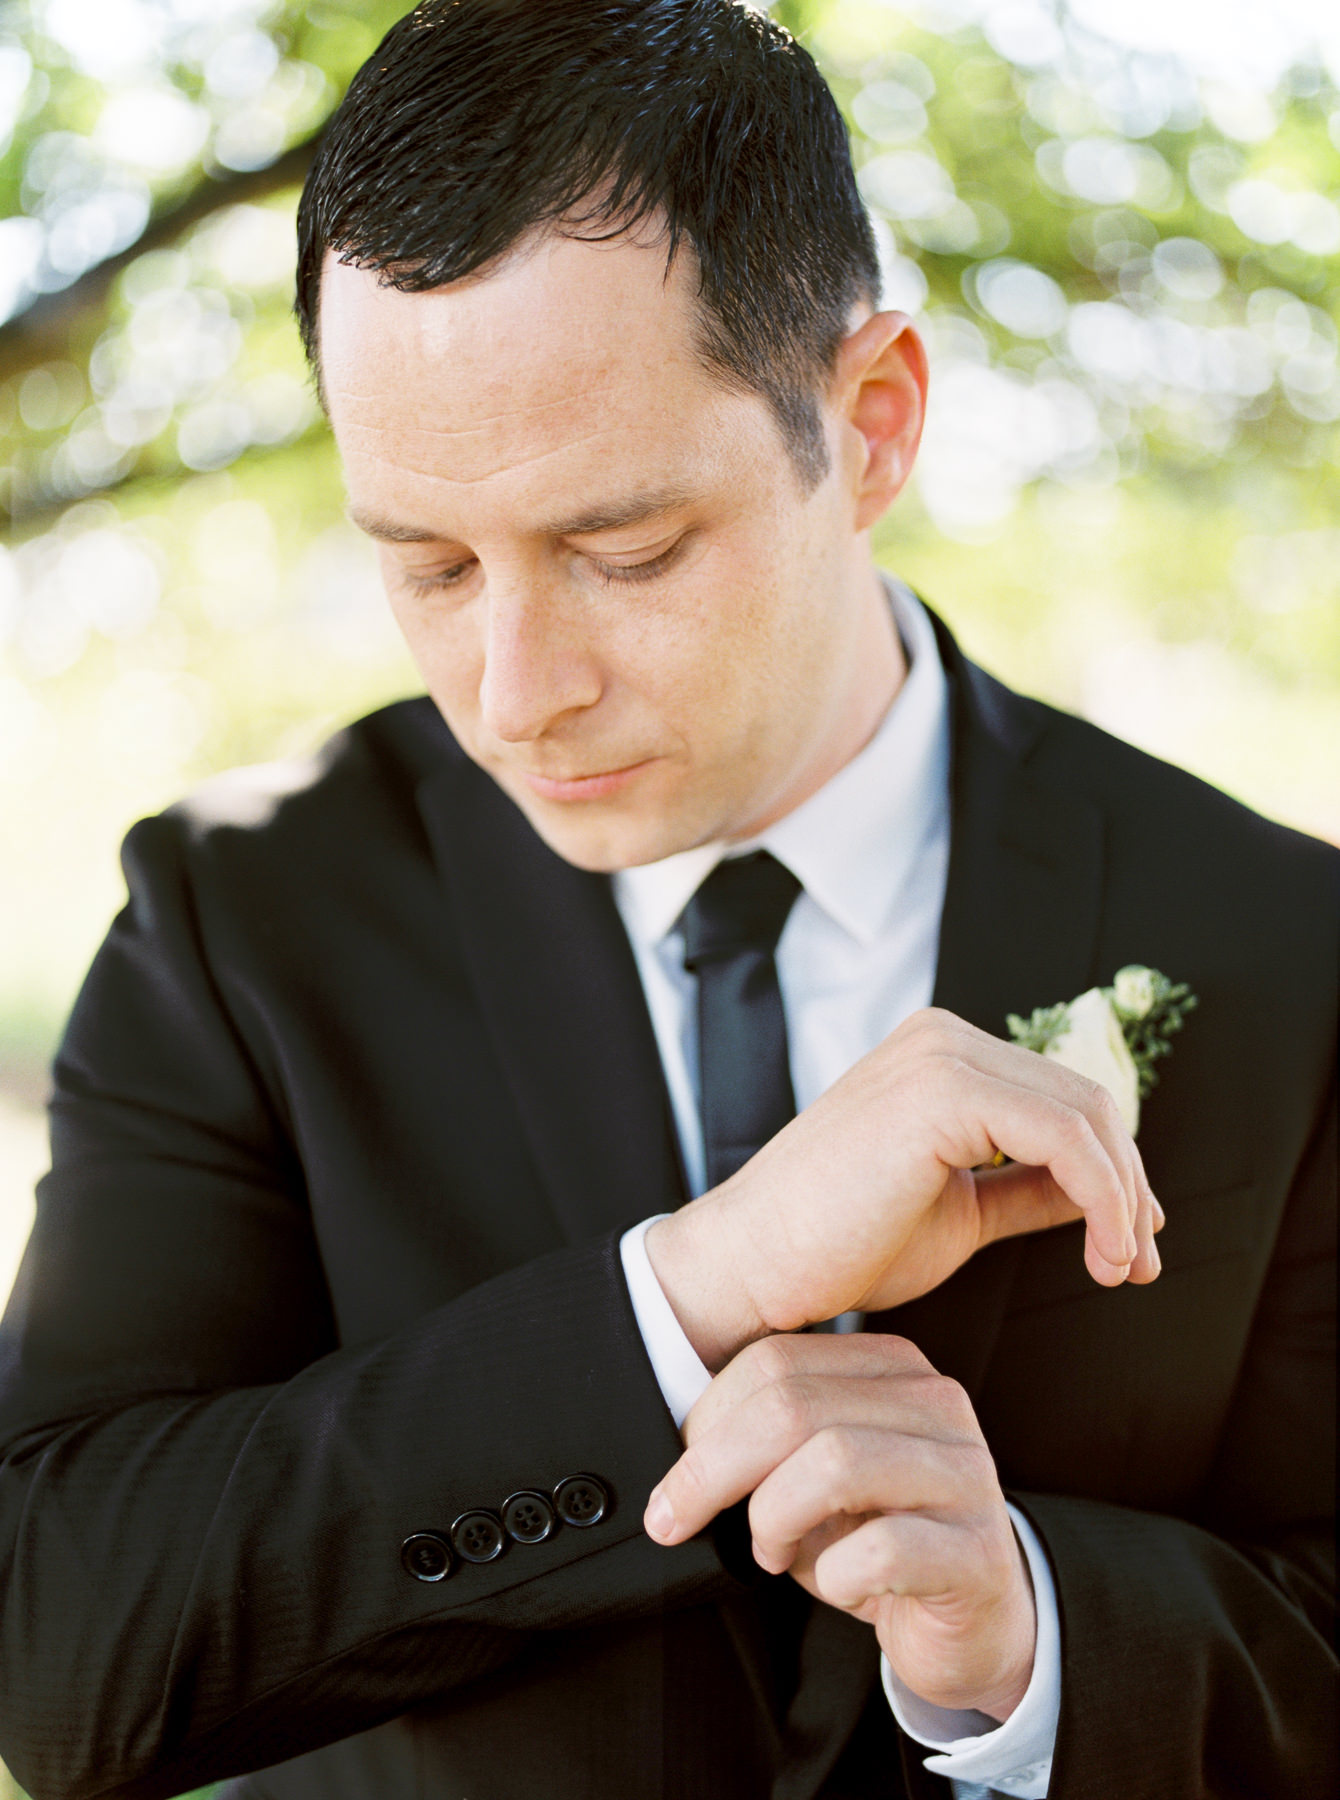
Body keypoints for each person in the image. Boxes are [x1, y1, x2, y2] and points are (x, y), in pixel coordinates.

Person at [0, 3, 1334, 1797]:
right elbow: (57, 1650)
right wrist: (690, 1296)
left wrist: (1038, 1638)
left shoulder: (1289, 946)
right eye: (430, 565)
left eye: (622, 552)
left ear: (871, 426)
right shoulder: (239, 919)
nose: (513, 688)